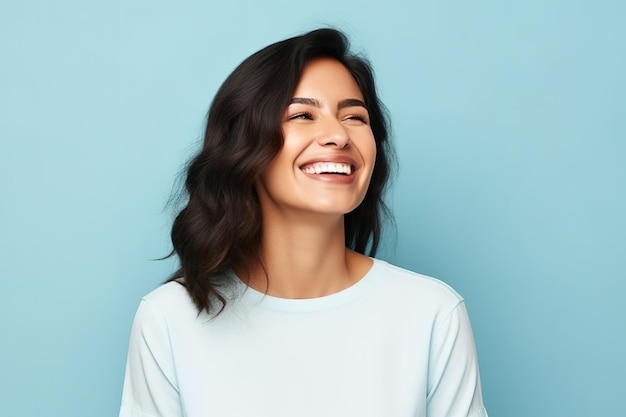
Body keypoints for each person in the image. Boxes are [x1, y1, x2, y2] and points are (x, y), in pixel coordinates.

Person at [119, 28, 488, 417]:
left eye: (354, 117)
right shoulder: (169, 319)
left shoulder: (432, 313)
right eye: (303, 115)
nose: (337, 135)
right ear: (244, 146)